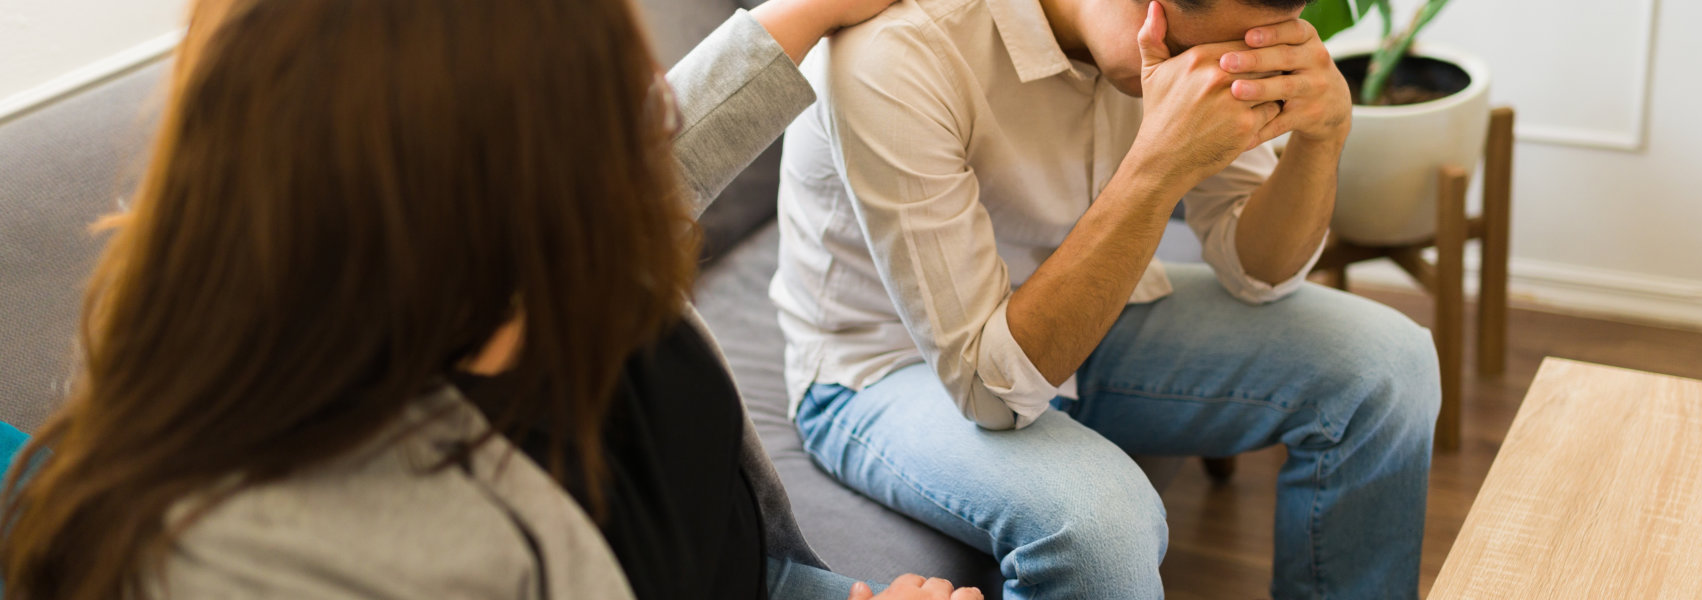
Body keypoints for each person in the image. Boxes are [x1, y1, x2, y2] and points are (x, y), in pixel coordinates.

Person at [0, 0, 981, 598]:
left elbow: (665, 150)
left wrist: (807, 13)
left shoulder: (524, 271)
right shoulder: (318, 550)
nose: (641, 105)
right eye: (596, 105)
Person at [772, 0, 1444, 596]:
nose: (1209, 82)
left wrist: (1320, 142)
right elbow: (988, 387)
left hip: (1089, 319)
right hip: (889, 370)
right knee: (1104, 523)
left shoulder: (1199, 32)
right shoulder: (898, 52)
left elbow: (1256, 270)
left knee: (1390, 365)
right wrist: (1158, 163)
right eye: (1192, 57)